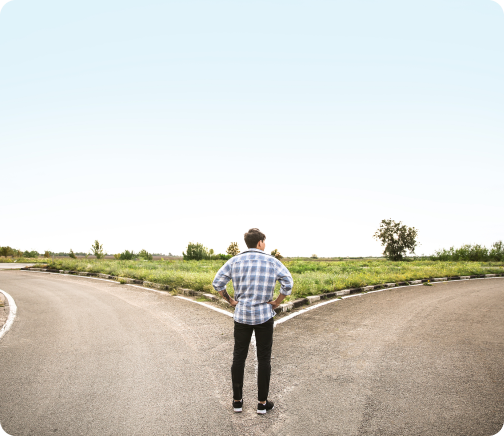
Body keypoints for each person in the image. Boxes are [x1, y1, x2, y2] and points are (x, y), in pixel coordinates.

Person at [212, 228, 293, 415]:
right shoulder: (272, 261)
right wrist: (276, 303)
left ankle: (237, 401)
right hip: (264, 315)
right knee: (264, 358)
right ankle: (262, 403)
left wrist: (231, 300)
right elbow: (288, 283)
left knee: (239, 357)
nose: (265, 244)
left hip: (241, 316)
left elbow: (218, 283)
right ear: (259, 243)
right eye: (264, 241)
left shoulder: (234, 261)